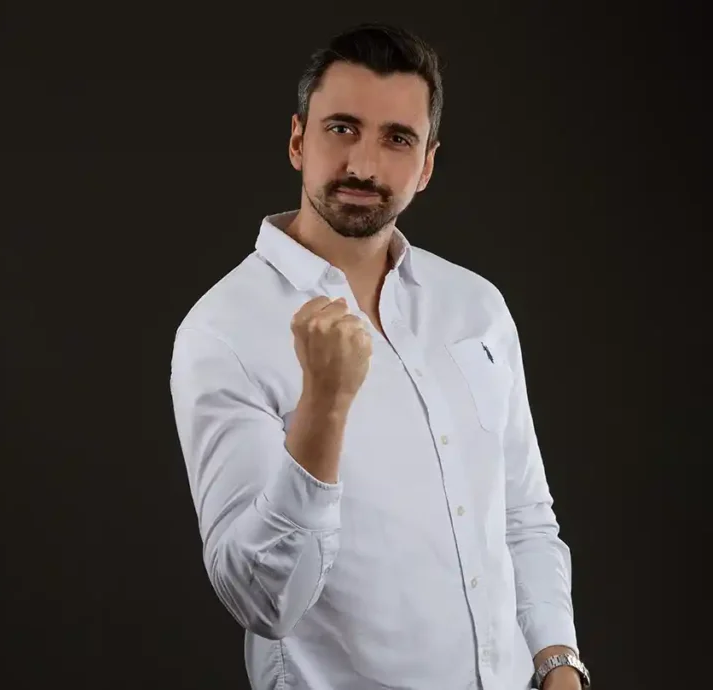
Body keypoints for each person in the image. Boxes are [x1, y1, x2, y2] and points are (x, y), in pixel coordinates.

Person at [169, 23, 590, 690]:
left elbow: (522, 516)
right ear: (298, 140)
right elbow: (264, 602)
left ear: (426, 164)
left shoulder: (474, 306)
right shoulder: (224, 332)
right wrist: (324, 405)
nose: (364, 166)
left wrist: (557, 661)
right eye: (342, 128)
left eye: (397, 138)